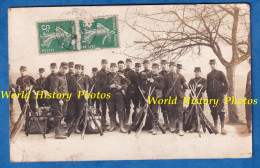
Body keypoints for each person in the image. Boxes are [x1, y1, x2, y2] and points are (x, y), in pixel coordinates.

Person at [206, 59, 229, 135]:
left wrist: (223, 93)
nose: (212, 65)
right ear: (209, 65)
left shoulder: (220, 73)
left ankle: (222, 128)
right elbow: (207, 87)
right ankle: (216, 127)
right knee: (213, 111)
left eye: (214, 64)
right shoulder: (208, 75)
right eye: (211, 64)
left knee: (221, 111)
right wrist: (208, 95)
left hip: (219, 94)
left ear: (216, 65)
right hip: (211, 95)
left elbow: (227, 84)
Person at [104, 63, 128, 133]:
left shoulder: (120, 76)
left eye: (114, 67)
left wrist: (121, 87)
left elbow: (126, 85)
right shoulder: (107, 77)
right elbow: (104, 87)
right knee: (111, 111)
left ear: (116, 68)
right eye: (111, 67)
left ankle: (121, 127)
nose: (112, 69)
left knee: (120, 111)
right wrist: (110, 86)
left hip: (119, 95)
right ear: (110, 68)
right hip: (110, 96)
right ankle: (113, 125)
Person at [165, 62, 188, 136]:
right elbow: (165, 87)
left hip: (179, 97)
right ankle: (173, 126)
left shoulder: (181, 76)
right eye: (171, 66)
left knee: (179, 112)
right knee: (170, 111)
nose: (172, 68)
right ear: (169, 67)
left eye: (173, 66)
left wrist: (182, 92)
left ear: (176, 67)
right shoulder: (166, 76)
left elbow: (186, 87)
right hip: (170, 97)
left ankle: (181, 129)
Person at [67, 64, 89, 134]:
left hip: (81, 98)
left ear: (81, 70)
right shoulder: (70, 77)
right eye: (76, 69)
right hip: (71, 98)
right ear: (74, 69)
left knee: (79, 113)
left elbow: (87, 88)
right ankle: (69, 126)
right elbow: (66, 87)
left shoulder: (84, 78)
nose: (78, 70)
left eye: (79, 69)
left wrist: (86, 95)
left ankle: (76, 127)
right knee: (70, 113)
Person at [50, 62, 69, 139]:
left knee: (62, 114)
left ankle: (59, 132)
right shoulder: (56, 77)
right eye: (63, 68)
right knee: (58, 115)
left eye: (65, 68)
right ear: (60, 68)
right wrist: (59, 99)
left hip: (65, 98)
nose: (64, 70)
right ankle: (57, 134)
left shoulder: (64, 76)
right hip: (58, 99)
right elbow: (54, 90)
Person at [146, 63, 165, 135]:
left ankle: (155, 128)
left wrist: (153, 81)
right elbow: (147, 87)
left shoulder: (161, 77)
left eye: (155, 68)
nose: (153, 70)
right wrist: (147, 97)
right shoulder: (150, 76)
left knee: (155, 112)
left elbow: (162, 86)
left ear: (158, 69)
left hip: (156, 97)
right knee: (150, 111)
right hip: (150, 96)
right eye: (152, 68)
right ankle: (152, 127)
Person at [187, 67, 207, 132]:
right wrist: (196, 85)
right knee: (192, 111)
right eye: (195, 72)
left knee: (199, 112)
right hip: (192, 97)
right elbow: (189, 86)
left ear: (200, 72)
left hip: (200, 97)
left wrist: (201, 86)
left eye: (198, 72)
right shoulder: (192, 80)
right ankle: (193, 127)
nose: (197, 73)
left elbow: (205, 87)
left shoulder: (203, 80)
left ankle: (199, 127)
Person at [96, 59, 109, 129]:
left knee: (111, 107)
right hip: (102, 92)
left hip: (109, 92)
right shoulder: (99, 73)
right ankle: (103, 121)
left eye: (106, 63)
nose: (104, 65)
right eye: (103, 63)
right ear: (101, 64)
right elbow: (98, 83)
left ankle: (112, 121)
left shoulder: (109, 72)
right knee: (103, 107)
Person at [123, 58, 135, 125]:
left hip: (131, 91)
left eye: (129, 63)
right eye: (127, 63)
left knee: (133, 106)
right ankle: (125, 121)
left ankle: (133, 120)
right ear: (125, 64)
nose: (128, 64)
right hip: (124, 91)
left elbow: (135, 82)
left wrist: (132, 89)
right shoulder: (123, 71)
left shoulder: (133, 72)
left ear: (131, 64)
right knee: (125, 105)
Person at [159, 60, 169, 129]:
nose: (163, 65)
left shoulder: (170, 73)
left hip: (169, 94)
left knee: (170, 108)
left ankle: (171, 123)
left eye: (164, 64)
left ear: (167, 65)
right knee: (163, 109)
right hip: (161, 94)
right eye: (162, 64)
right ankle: (166, 123)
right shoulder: (159, 73)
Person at [245, 58, 252, 133]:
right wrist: (246, 94)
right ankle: (249, 127)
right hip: (249, 93)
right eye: (250, 63)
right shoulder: (249, 73)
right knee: (248, 109)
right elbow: (247, 85)